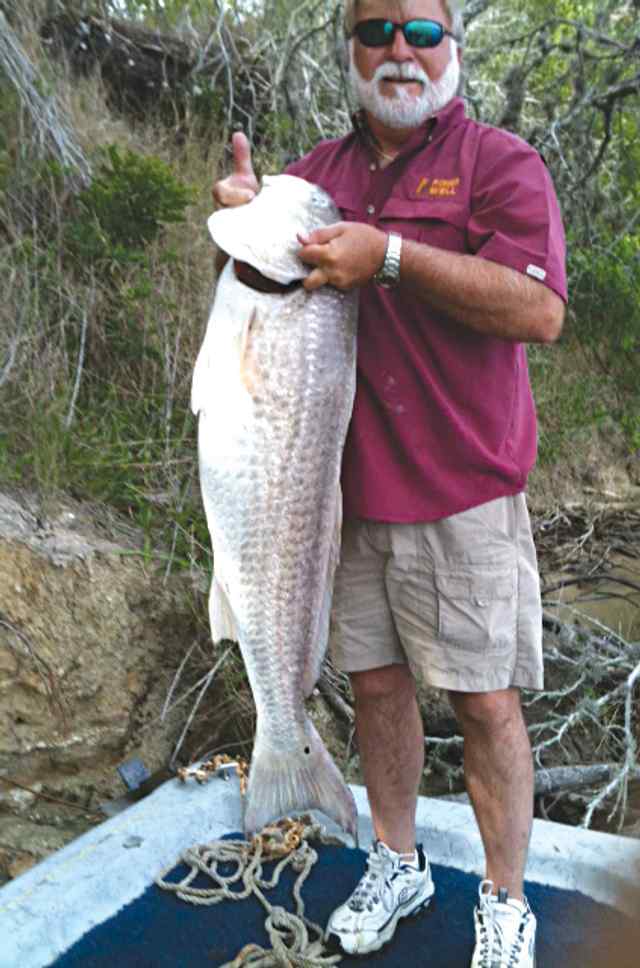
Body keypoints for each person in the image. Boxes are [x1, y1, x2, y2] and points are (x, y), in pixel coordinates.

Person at [212, 1, 567, 965]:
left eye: (422, 31)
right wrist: (242, 217)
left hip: (464, 493)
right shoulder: (316, 179)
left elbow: (539, 310)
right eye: (377, 31)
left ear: (452, 48)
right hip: (333, 500)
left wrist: (396, 258)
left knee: (487, 702)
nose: (399, 50)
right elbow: (258, 293)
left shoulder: (500, 164)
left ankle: (503, 897)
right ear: (351, 50)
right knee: (376, 690)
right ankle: (398, 860)